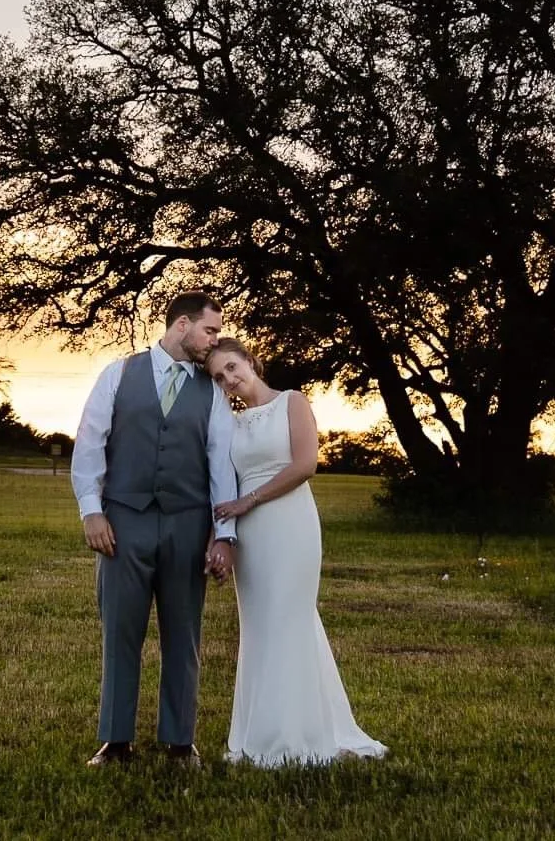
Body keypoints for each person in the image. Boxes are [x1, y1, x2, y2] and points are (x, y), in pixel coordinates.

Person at [70, 291, 239, 768]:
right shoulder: (119, 374)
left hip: (188, 523)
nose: (215, 340)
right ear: (181, 325)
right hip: (123, 521)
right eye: (210, 330)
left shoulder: (213, 393)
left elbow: (221, 465)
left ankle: (180, 742)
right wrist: (91, 510)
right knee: (120, 630)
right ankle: (115, 741)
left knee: (183, 633)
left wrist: (223, 534)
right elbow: (89, 444)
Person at [207, 336, 387, 767]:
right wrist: (223, 533)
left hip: (289, 522)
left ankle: (293, 735)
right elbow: (223, 480)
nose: (229, 379)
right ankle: (261, 731)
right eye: (219, 376)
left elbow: (306, 464)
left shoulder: (293, 402)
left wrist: (250, 501)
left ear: (250, 361)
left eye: (232, 367)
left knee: (290, 617)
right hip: (250, 535)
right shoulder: (229, 422)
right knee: (260, 625)